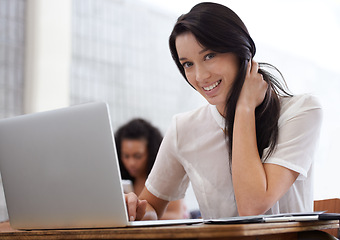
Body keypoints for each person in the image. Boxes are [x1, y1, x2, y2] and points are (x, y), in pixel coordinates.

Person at [125, 2, 322, 221]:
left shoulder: (301, 111)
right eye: (188, 64)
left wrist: (244, 108)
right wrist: (137, 211)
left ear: (241, 50)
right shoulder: (184, 128)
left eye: (209, 56)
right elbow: (152, 205)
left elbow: (252, 206)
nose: (200, 76)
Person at [115, 118, 188, 220]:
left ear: (151, 153)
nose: (131, 163)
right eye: (126, 156)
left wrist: (137, 217)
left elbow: (176, 215)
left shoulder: (163, 179)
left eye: (137, 156)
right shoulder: (121, 183)